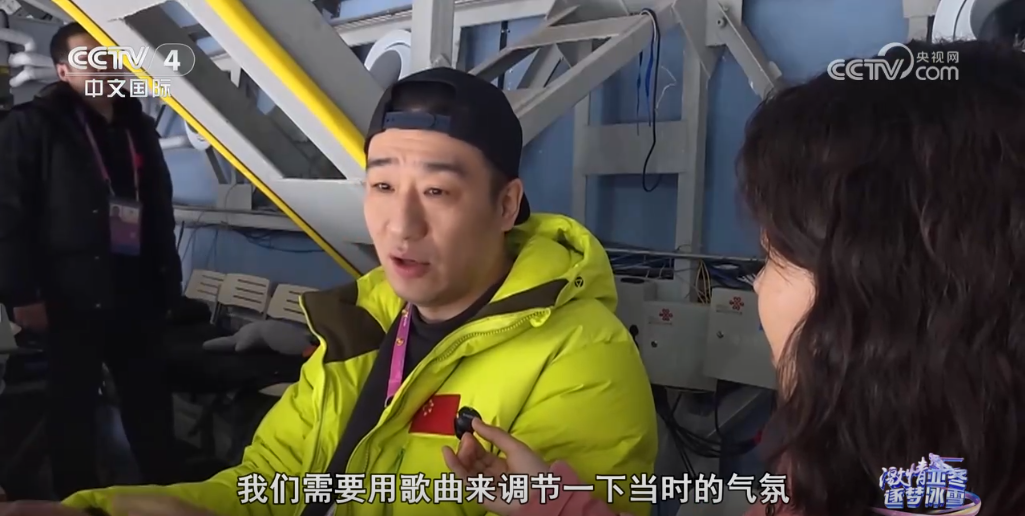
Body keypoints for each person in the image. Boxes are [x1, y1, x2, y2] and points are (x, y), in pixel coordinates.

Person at [2, 67, 659, 516]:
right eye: (382, 187)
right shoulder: (362, 323)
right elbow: (270, 487)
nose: (399, 225)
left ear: (506, 204)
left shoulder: (582, 358)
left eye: (437, 191)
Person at [438, 38, 1025, 516]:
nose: (757, 285)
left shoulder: (583, 347)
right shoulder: (831, 474)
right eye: (390, 183)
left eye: (778, 258)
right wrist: (554, 503)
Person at [0, 23, 182, 497]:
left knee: (150, 405)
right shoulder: (33, 125)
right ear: (63, 71)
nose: (103, 66)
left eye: (109, 56)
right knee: (72, 410)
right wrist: (22, 294)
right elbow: (9, 213)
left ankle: (170, 496)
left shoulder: (138, 126)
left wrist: (168, 282)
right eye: (89, 58)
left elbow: (159, 208)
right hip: (70, 296)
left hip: (138, 291)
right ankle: (76, 500)